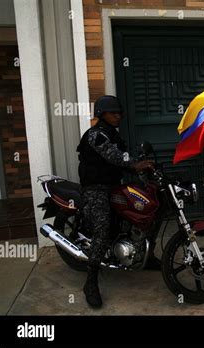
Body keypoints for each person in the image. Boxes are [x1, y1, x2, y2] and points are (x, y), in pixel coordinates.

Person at [77, 95, 156, 308]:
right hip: (96, 189)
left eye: (119, 112)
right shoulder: (96, 135)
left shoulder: (113, 134)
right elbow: (115, 157)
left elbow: (126, 156)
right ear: (102, 114)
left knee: (145, 212)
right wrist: (135, 165)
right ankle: (91, 281)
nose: (118, 116)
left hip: (113, 185)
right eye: (113, 113)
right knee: (103, 230)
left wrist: (146, 171)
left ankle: (147, 256)